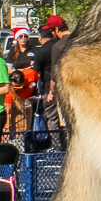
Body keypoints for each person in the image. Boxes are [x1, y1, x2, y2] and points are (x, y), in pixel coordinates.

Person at [36, 16, 70, 150]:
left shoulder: (58, 46)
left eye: (52, 31)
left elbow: (55, 74)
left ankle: (59, 148)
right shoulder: (81, 41)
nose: (52, 35)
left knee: (62, 123)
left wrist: (51, 92)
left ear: (56, 29)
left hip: (65, 91)